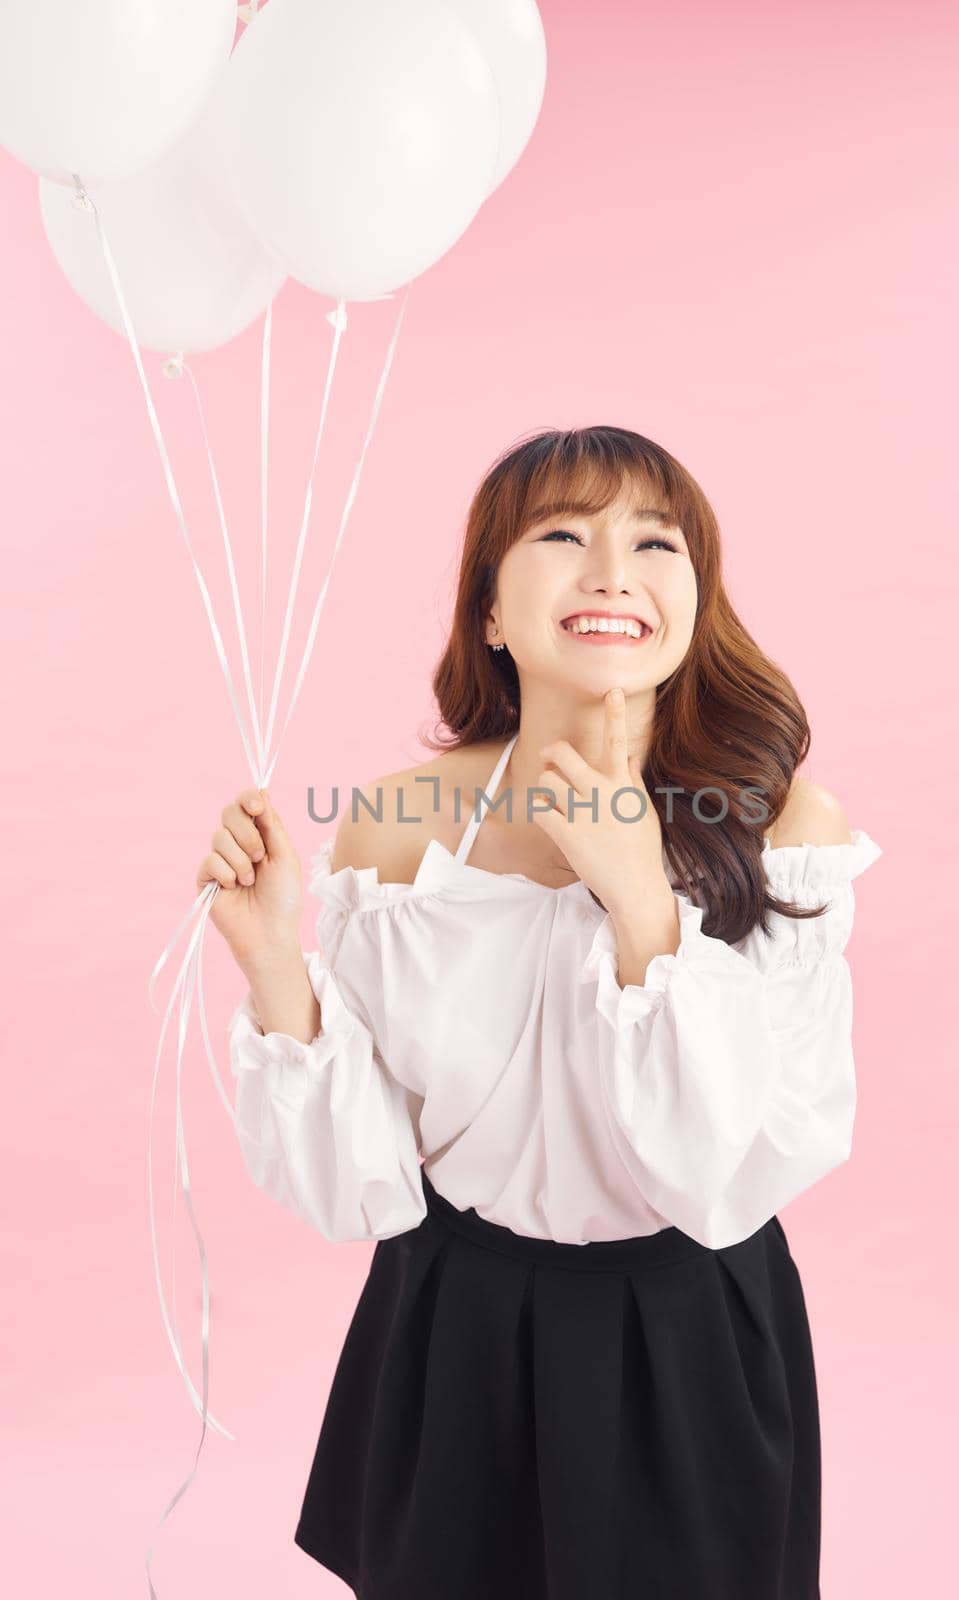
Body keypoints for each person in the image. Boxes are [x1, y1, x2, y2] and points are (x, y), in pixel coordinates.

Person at [200, 426, 882, 1600]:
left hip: (688, 1339)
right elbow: (365, 1180)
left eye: (654, 540)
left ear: (695, 597)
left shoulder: (786, 827)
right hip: (452, 1323)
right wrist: (274, 967)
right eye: (562, 534)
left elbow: (743, 1163)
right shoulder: (393, 823)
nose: (612, 567)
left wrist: (639, 899)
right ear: (492, 613)